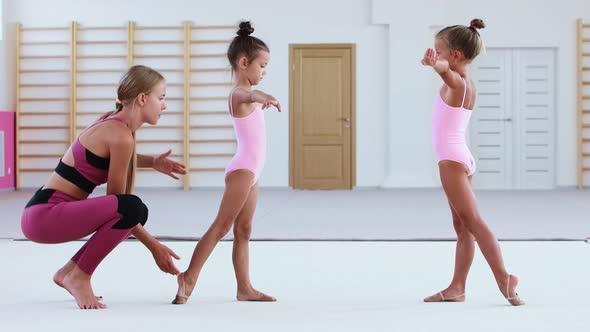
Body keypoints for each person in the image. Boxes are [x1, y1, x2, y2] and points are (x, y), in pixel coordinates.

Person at [21, 65, 186, 309]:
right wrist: (155, 247)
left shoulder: (113, 123)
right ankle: (80, 275)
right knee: (132, 208)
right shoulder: (120, 135)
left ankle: (68, 272)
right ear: (142, 98)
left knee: (137, 211)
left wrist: (152, 162)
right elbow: (119, 202)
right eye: (161, 98)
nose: (164, 105)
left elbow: (106, 157)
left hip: (40, 214)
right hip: (46, 217)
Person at [173, 21, 280, 304]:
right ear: (244, 62)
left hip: (252, 172)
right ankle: (189, 275)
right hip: (243, 169)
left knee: (243, 231)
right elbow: (249, 94)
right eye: (262, 65)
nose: (264, 72)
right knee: (222, 225)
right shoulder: (239, 94)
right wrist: (263, 95)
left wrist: (261, 95)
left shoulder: (247, 95)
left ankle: (244, 288)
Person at [421, 19, 524, 306]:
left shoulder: (457, 82)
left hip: (452, 161)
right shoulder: (467, 84)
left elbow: (445, 73)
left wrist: (436, 66)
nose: (435, 55)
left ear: (455, 55)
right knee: (463, 227)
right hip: (461, 156)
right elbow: (446, 71)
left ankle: (504, 277)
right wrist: (438, 64)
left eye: (439, 51)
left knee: (474, 222)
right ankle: (457, 287)